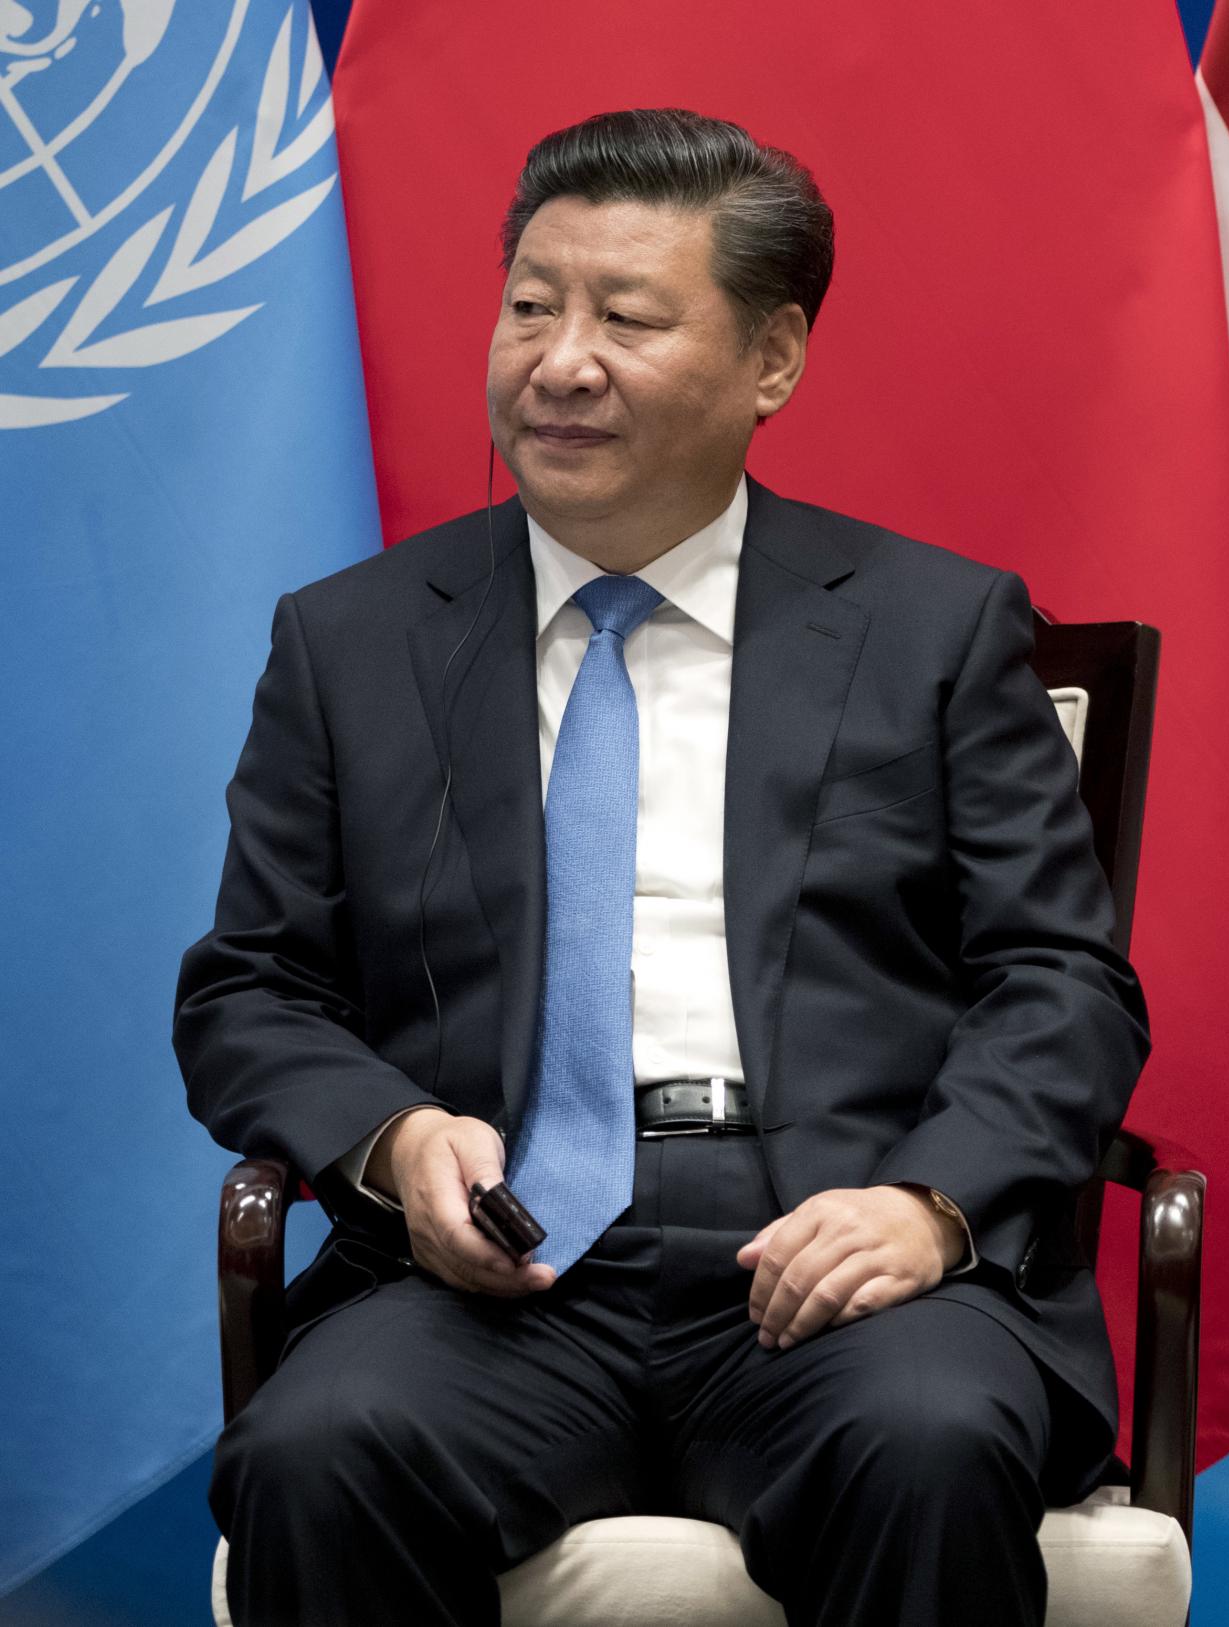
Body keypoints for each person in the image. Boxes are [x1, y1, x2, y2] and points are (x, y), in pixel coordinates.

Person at [175, 108, 1149, 1627]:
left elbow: (1062, 984)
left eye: (626, 319)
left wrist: (932, 1202)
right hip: (495, 1274)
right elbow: (249, 990)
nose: (561, 362)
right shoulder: (353, 640)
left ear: (773, 362)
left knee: (929, 1443)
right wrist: (395, 1142)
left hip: (831, 1251)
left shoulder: (932, 631)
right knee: (321, 1450)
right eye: (530, 307)